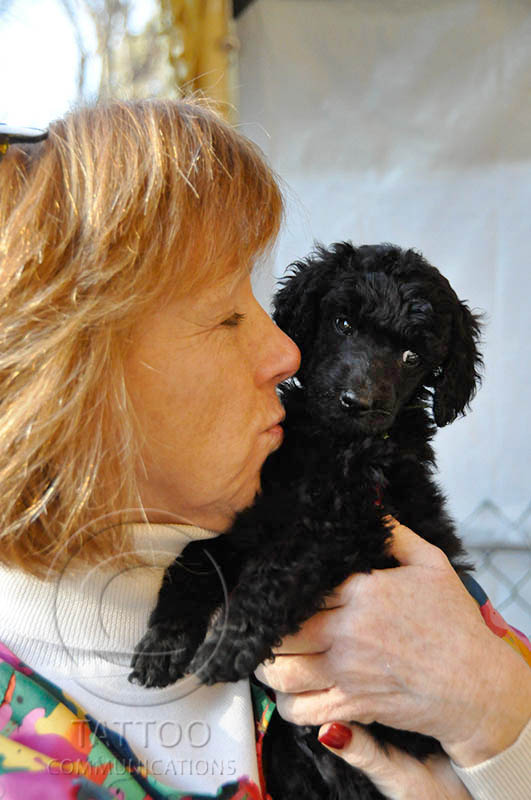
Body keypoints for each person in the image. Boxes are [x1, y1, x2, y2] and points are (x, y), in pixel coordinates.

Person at [0, 99, 528, 800]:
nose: (287, 351)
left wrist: (497, 718)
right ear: (68, 377)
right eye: (225, 316)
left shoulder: (423, 607)